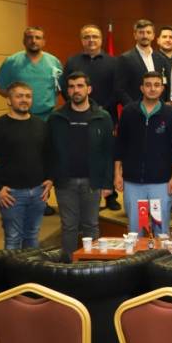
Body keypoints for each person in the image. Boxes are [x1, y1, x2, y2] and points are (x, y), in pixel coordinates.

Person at [46, 72, 114, 259]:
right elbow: (49, 151)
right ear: (67, 91)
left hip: (93, 181)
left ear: (89, 89)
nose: (76, 90)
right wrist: (50, 178)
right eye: (71, 86)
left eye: (80, 86)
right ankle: (68, 265)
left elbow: (109, 152)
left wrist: (108, 183)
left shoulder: (103, 117)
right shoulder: (56, 118)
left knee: (91, 225)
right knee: (68, 226)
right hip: (64, 182)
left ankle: (91, 264)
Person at [0, 82, 52, 249]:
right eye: (19, 96)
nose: (24, 100)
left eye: (28, 96)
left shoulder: (41, 125)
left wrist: (50, 178)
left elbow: (49, 155)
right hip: (10, 194)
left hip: (38, 192)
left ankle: (30, 267)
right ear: (9, 100)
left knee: (32, 235)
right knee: (13, 238)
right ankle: (12, 268)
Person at [61, 24, 120, 210]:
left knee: (107, 153)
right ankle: (85, 192)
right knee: (84, 152)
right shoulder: (72, 62)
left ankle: (110, 195)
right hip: (77, 116)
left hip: (106, 116)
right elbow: (65, 87)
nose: (91, 40)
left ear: (101, 40)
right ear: (82, 40)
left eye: (95, 36)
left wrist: (100, 110)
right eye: (87, 37)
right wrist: (79, 108)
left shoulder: (113, 62)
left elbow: (117, 89)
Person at [113, 71, 172, 236]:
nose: (152, 89)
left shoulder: (170, 114)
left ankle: (160, 253)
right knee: (137, 229)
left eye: (157, 85)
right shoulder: (129, 112)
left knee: (160, 230)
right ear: (141, 88)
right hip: (133, 182)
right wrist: (117, 174)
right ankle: (138, 254)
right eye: (148, 85)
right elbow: (120, 144)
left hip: (161, 182)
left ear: (162, 89)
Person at [0, 26, 63, 121]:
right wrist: (16, 100)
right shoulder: (12, 62)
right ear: (24, 41)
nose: (33, 41)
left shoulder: (54, 62)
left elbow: (59, 88)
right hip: (20, 117)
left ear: (43, 42)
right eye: (30, 37)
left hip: (48, 118)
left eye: (38, 38)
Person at [116, 19, 171, 107]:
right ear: (135, 35)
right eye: (141, 32)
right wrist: (132, 107)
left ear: (153, 36)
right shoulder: (125, 59)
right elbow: (120, 89)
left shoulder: (162, 59)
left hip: (160, 108)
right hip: (136, 109)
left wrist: (165, 105)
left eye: (148, 32)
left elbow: (167, 85)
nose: (145, 36)